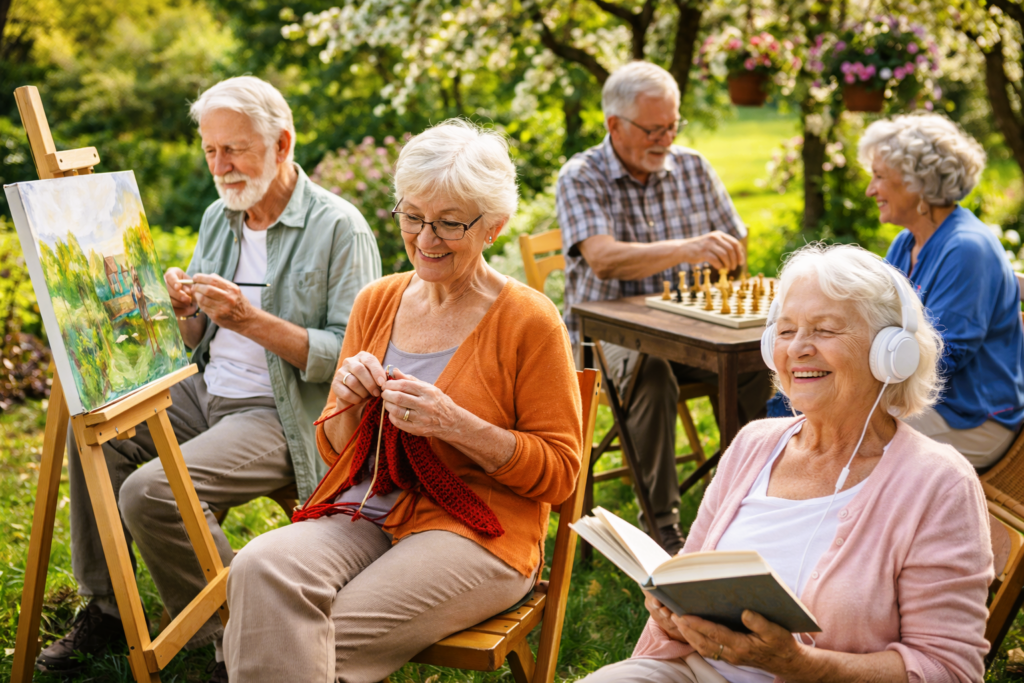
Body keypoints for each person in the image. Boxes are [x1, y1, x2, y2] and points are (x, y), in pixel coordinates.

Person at [38, 76, 381, 678]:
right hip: (205, 392)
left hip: (288, 412)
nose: (220, 166)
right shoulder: (218, 218)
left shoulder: (339, 227)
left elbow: (352, 358)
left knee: (151, 493)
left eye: (235, 149)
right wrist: (187, 313)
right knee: (95, 424)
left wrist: (251, 319)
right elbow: (196, 340)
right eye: (210, 150)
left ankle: (235, 639)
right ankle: (110, 607)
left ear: (282, 143)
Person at [220, 119, 583, 682]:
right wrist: (346, 399)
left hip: (479, 530)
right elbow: (338, 451)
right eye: (412, 217)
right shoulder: (378, 300)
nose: (425, 239)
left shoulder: (530, 321)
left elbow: (560, 475)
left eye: (448, 223)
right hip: (368, 509)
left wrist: (456, 424)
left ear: (494, 228)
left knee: (311, 634)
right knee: (258, 566)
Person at [580, 243, 993, 683]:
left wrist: (799, 666)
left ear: (891, 353)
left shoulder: (938, 484)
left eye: (825, 330)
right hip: (693, 671)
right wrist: (672, 609)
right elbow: (692, 568)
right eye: (786, 330)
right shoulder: (753, 445)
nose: (797, 349)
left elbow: (950, 670)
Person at [557, 60, 771, 553]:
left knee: (758, 362)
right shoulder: (582, 175)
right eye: (653, 129)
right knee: (650, 371)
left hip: (690, 326)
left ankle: (752, 497)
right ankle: (663, 529)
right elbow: (604, 260)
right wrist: (689, 248)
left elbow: (734, 233)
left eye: (672, 126)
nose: (666, 139)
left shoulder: (693, 166)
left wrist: (725, 250)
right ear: (614, 125)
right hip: (605, 338)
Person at [862, 112, 1024, 468]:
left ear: (918, 184)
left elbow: (943, 356)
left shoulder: (967, 248)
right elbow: (878, 321)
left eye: (879, 177)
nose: (870, 190)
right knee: (825, 414)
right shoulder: (906, 243)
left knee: (850, 434)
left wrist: (860, 376)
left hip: (973, 417)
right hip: (923, 400)